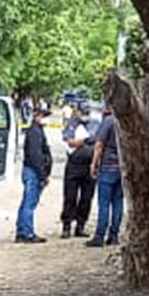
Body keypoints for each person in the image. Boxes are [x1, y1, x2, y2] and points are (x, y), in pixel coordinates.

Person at [86, 101, 124, 248]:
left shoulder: (108, 121)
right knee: (118, 203)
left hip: (108, 167)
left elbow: (99, 144)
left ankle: (99, 235)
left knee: (104, 204)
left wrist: (94, 164)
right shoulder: (126, 122)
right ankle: (114, 235)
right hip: (122, 168)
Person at [15, 106, 52, 244]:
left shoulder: (35, 131)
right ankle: (27, 233)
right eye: (42, 116)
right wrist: (42, 175)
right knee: (29, 203)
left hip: (32, 170)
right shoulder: (35, 132)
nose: (44, 119)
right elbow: (36, 156)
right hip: (33, 171)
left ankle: (22, 230)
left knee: (26, 202)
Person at [59, 102, 96, 238]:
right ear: (77, 111)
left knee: (86, 197)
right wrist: (85, 140)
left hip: (89, 165)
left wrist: (81, 141)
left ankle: (81, 226)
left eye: (87, 112)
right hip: (74, 165)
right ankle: (66, 226)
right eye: (83, 111)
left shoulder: (95, 124)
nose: (85, 114)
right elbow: (70, 142)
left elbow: (98, 141)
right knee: (70, 196)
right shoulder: (71, 124)